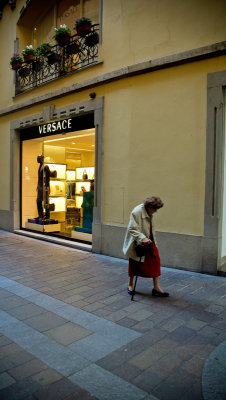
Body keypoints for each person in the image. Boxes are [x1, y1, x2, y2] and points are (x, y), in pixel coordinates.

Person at [123, 196, 169, 297]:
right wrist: (142, 238)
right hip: (138, 242)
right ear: (149, 207)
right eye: (155, 209)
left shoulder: (149, 211)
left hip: (149, 241)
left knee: (155, 260)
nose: (156, 211)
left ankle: (156, 287)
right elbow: (132, 228)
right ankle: (130, 284)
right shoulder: (137, 212)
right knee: (134, 263)